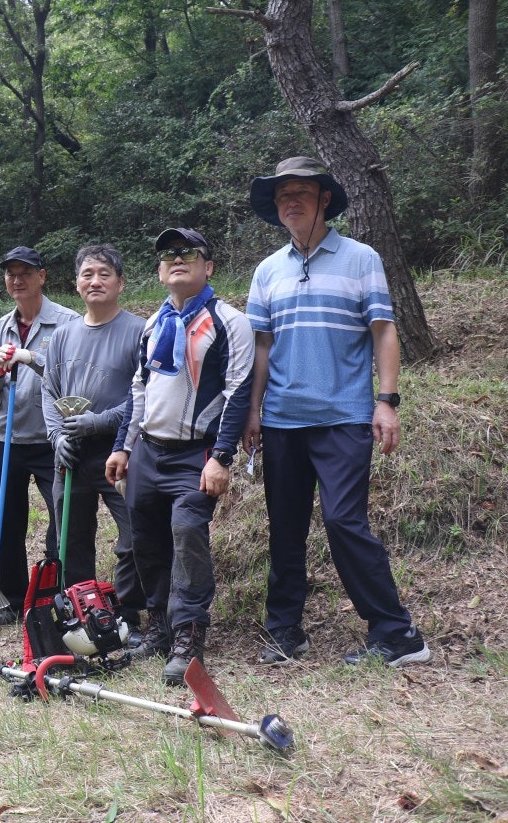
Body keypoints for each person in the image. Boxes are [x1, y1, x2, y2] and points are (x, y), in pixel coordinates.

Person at [244, 156, 430, 668]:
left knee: (343, 519)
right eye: (284, 196)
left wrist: (386, 401)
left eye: (302, 192)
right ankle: (285, 631)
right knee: (284, 526)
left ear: (325, 198)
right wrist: (253, 412)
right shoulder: (267, 270)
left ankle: (397, 634)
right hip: (282, 418)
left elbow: (384, 330)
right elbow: (262, 347)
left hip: (344, 416)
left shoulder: (360, 257)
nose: (292, 202)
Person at [105, 229, 254, 686]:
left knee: (187, 532)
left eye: (188, 253)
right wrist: (122, 446)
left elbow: (238, 393)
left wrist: (222, 458)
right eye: (167, 255)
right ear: (158, 271)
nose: (176, 259)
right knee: (145, 540)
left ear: (208, 267)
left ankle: (190, 634)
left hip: (197, 453)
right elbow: (138, 389)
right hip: (149, 450)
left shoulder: (230, 322)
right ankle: (160, 627)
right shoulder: (153, 323)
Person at [40, 245, 147, 634]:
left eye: (104, 273)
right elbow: (48, 390)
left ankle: (129, 613)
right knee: (70, 541)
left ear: (120, 282)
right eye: (87, 274)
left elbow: (144, 397)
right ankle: (82, 617)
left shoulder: (139, 331)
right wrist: (56, 436)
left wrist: (99, 422)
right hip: (69, 455)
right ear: (76, 284)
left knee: (134, 535)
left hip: (119, 452)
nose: (95, 281)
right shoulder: (63, 335)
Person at [0, 247, 80, 627]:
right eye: (10, 274)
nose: (17, 280)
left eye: (25, 273)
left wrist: (31, 359)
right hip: (8, 438)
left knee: (64, 518)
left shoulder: (68, 322)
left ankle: (60, 596)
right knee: (6, 520)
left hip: (54, 438)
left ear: (42, 276)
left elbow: (74, 376)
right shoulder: (0, 327)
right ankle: (11, 598)